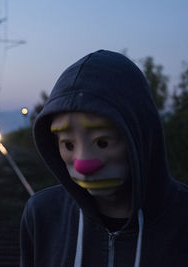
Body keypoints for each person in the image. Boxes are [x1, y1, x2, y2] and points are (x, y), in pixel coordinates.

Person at [20, 50, 188, 267]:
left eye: (103, 142)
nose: (83, 162)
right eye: (68, 145)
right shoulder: (41, 214)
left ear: (140, 135)